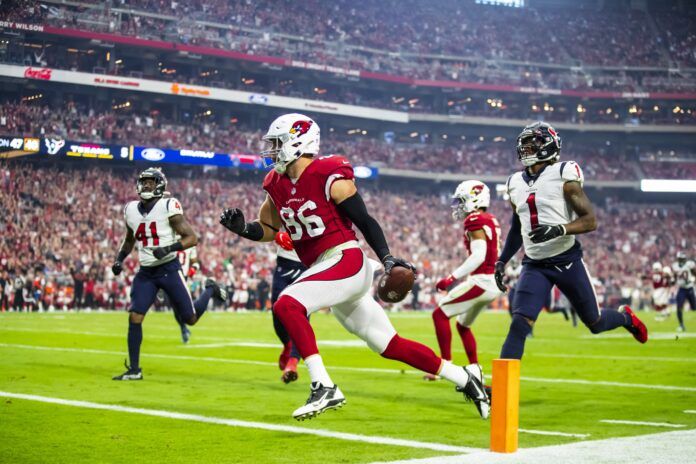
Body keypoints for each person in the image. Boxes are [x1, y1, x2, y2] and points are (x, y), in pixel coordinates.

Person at [220, 113, 489, 420]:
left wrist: (387, 257)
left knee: (287, 305)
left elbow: (364, 220)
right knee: (389, 345)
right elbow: (268, 228)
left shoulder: (327, 172)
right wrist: (244, 228)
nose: (271, 150)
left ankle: (323, 385)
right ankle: (467, 379)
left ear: (298, 141)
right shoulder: (275, 183)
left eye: (277, 143)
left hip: (344, 258)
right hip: (330, 270)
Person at [494, 121, 648, 361]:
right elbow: (517, 228)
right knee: (519, 324)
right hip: (534, 264)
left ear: (549, 145)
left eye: (532, 143)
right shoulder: (514, 182)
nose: (526, 149)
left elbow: (590, 220)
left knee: (595, 323)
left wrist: (558, 229)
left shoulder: (564, 172)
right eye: (524, 144)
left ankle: (626, 318)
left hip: (567, 261)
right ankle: (501, 393)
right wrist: (502, 260)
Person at [111, 167, 225, 380]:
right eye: (144, 182)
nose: (146, 185)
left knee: (189, 318)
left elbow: (192, 238)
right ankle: (134, 370)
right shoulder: (131, 209)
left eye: (151, 182)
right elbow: (129, 240)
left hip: (169, 269)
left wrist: (169, 249)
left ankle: (210, 289)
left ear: (160, 185)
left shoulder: (168, 206)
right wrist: (119, 259)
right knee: (135, 317)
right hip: (146, 272)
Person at [426, 180, 502, 380]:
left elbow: (478, 255)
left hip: (482, 281)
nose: (458, 206)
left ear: (475, 199)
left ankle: (445, 367)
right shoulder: (490, 218)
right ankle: (475, 371)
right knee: (462, 326)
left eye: (462, 201)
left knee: (439, 314)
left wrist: (451, 278)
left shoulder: (475, 219)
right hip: (492, 281)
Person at [271, 230, 307, 384]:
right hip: (284, 265)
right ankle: (287, 345)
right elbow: (266, 224)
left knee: (302, 316)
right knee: (277, 312)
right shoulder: (278, 205)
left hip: (308, 265)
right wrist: (275, 234)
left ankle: (293, 363)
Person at [672, 251, 696, 332]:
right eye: (680, 259)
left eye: (683, 259)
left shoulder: (689, 264)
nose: (682, 261)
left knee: (694, 308)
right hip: (681, 289)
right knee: (679, 307)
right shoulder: (675, 266)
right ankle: (681, 325)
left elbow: (694, 273)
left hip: (689, 288)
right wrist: (673, 281)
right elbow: (675, 276)